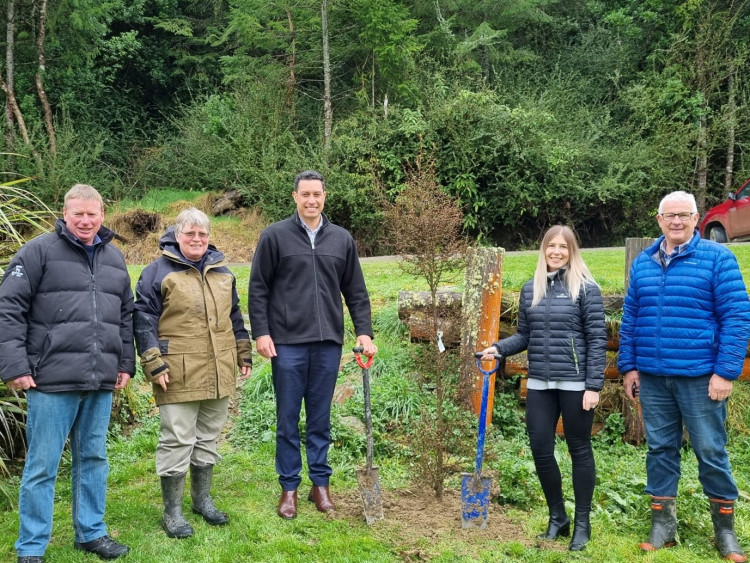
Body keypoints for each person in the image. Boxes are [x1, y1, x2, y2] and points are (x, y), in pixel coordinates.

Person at [0, 184, 134, 562]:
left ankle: (90, 532)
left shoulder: (114, 259)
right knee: (42, 465)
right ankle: (31, 547)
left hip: (99, 379)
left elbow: (125, 314)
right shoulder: (37, 252)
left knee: (92, 458)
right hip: (50, 379)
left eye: (92, 214)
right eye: (78, 214)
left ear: (103, 214)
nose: (86, 221)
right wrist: (15, 366)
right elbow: (8, 309)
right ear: (65, 213)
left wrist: (125, 363)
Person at [619, 191, 750, 562]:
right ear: (658, 220)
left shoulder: (718, 259)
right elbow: (631, 320)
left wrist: (725, 372)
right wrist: (629, 366)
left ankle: (724, 531)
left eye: (684, 215)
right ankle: (663, 526)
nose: (676, 222)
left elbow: (737, 319)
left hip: (700, 377)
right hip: (654, 376)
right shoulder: (644, 264)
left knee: (710, 450)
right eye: (669, 215)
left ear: (697, 218)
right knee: (661, 449)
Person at [249, 169, 377, 520]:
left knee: (320, 419)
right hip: (287, 344)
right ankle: (288, 486)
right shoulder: (275, 237)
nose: (311, 200)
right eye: (305, 194)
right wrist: (261, 332)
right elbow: (258, 287)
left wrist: (363, 332)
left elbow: (356, 291)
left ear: (324, 196)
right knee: (288, 419)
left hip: (327, 345)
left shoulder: (341, 239)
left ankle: (320, 484)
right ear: (295, 197)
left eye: (317, 194)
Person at [481, 225, 606, 552]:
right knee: (540, 449)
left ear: (572, 251)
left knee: (579, 450)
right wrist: (499, 348)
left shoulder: (586, 289)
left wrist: (593, 386)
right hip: (540, 382)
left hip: (576, 384)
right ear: (543, 249)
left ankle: (582, 524)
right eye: (551, 246)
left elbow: (596, 341)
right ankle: (557, 517)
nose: (557, 252)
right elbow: (525, 335)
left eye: (563, 247)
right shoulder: (530, 289)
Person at [133, 207, 252, 539]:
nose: (197, 239)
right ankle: (172, 512)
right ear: (177, 236)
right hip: (177, 371)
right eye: (190, 234)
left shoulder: (222, 272)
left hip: (219, 366)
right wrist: (153, 362)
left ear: (209, 237)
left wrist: (243, 350)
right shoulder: (157, 272)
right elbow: (143, 320)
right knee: (177, 439)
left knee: (208, 437)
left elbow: (235, 315)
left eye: (203, 234)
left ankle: (202, 500)